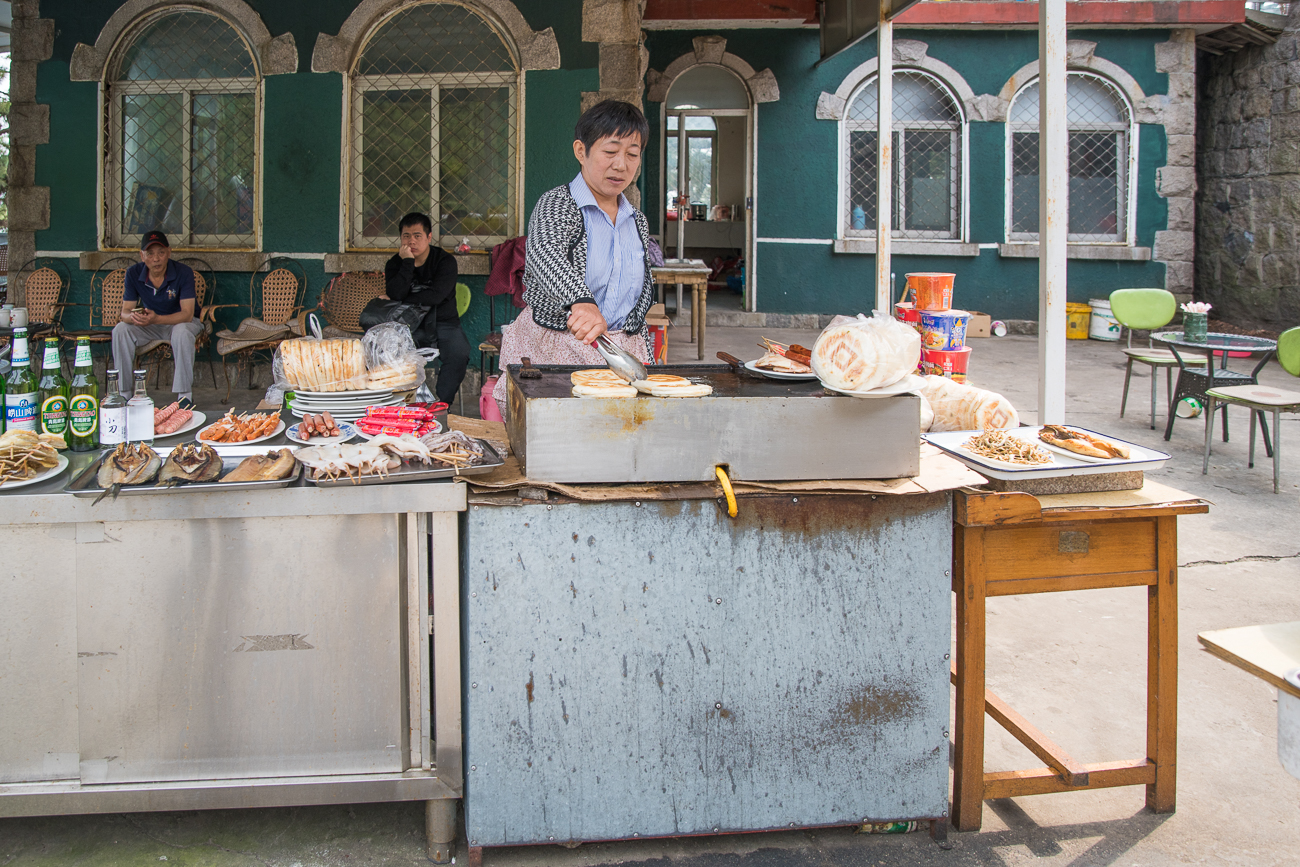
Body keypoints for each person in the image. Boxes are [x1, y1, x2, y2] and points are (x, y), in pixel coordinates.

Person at [492, 99, 655, 416]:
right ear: (581, 151)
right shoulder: (556, 203)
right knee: (557, 439)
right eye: (610, 151)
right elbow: (548, 259)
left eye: (632, 154)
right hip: (559, 348)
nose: (621, 164)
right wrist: (580, 301)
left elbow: (637, 284)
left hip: (620, 352)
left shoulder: (637, 220)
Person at [383, 212, 470, 405]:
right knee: (388, 353)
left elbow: (436, 296)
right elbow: (396, 292)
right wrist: (407, 263)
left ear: (429, 237)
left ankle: (441, 406)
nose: (411, 241)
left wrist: (403, 298)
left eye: (417, 235)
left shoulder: (445, 262)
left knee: (458, 354)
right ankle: (402, 406)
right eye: (406, 236)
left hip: (443, 321)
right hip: (408, 324)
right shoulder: (395, 264)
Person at [112, 230, 205, 400]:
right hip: (151, 324)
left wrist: (156, 318)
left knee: (182, 331)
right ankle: (123, 393)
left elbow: (187, 314)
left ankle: (184, 396)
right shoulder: (133, 273)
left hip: (182, 323)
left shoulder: (183, 272)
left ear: (169, 252)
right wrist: (135, 317)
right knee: (120, 330)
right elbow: (125, 313)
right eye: (150, 254)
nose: (156, 259)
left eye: (161, 253)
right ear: (142, 255)